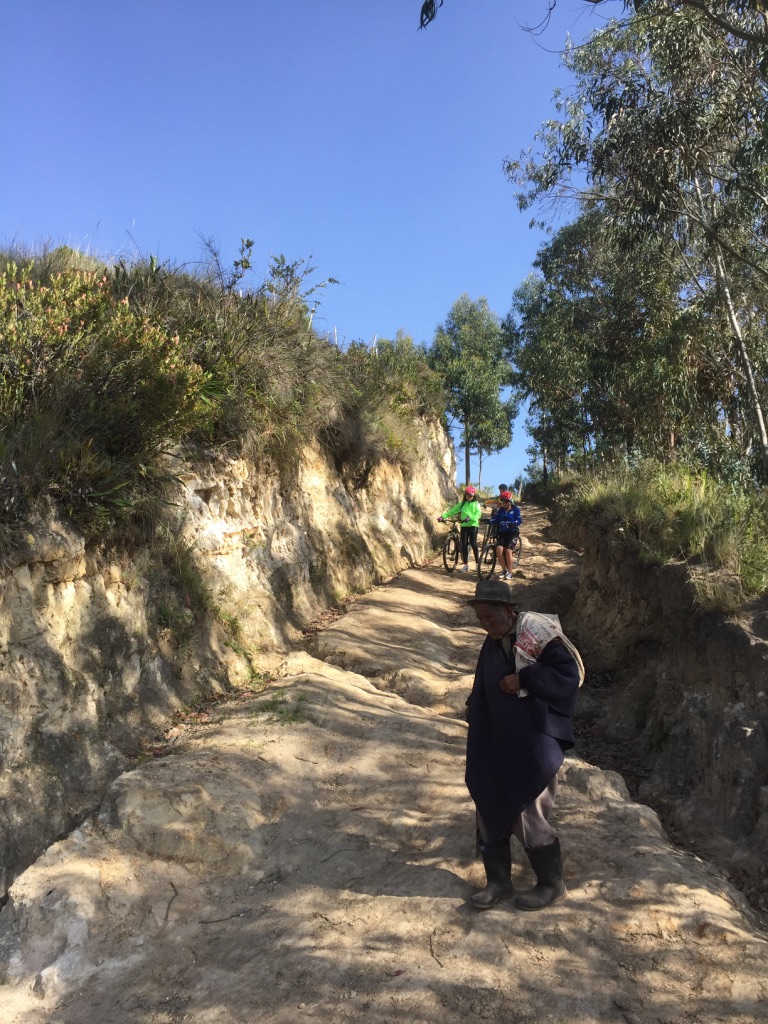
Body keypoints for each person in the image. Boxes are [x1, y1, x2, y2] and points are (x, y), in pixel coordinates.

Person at [464, 578, 583, 911]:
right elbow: (484, 679)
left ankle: (551, 884)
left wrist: (524, 679)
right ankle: (498, 882)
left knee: (527, 811)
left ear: (508, 610)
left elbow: (568, 675)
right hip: (496, 737)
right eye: (480, 619)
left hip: (532, 740)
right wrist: (476, 706)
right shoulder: (494, 638)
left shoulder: (537, 634)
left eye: (490, 617)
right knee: (487, 798)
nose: (486, 625)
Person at [438, 486, 482, 573]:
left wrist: (471, 518)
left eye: (471, 496)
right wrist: (443, 516)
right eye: (468, 495)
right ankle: (465, 565)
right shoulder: (462, 504)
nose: (469, 497)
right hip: (464, 525)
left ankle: (477, 564)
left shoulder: (476, 504)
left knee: (473, 543)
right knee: (464, 545)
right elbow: (453, 511)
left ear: (473, 496)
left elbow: (478, 514)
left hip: (473, 525)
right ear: (465, 495)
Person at [489, 490, 522, 580]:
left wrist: (514, 523)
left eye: (505, 501)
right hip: (503, 532)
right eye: (502, 501)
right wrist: (487, 521)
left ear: (509, 501)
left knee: (508, 551)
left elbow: (519, 520)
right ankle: (504, 570)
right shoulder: (500, 510)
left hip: (512, 532)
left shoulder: (515, 509)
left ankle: (510, 572)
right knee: (498, 550)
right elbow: (495, 519)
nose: (503, 503)